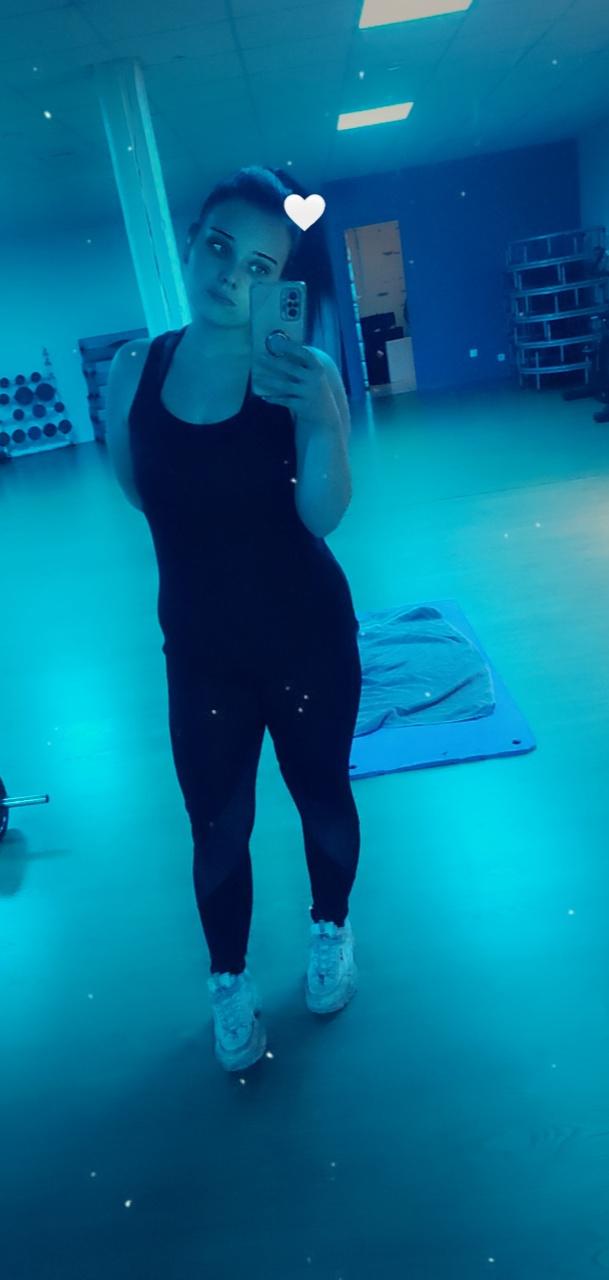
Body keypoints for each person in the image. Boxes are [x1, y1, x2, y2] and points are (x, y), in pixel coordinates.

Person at [127, 167, 362, 1071]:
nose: (231, 277)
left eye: (261, 267)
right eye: (220, 248)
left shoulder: (303, 372)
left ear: (281, 283)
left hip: (308, 641)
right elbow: (139, 492)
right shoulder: (135, 369)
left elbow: (321, 515)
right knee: (216, 826)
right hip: (201, 652)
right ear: (191, 243)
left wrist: (325, 424)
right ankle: (228, 981)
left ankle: (330, 929)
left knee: (321, 795)